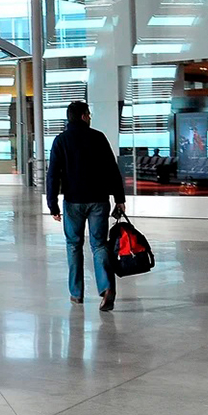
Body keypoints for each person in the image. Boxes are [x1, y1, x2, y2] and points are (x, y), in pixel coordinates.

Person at [47, 101, 126, 312]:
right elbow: (112, 169)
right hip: (99, 200)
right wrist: (119, 198)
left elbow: (53, 174)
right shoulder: (98, 137)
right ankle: (106, 288)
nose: (90, 117)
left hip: (73, 202)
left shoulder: (61, 141)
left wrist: (52, 205)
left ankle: (76, 293)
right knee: (99, 245)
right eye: (88, 114)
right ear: (83, 116)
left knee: (73, 245)